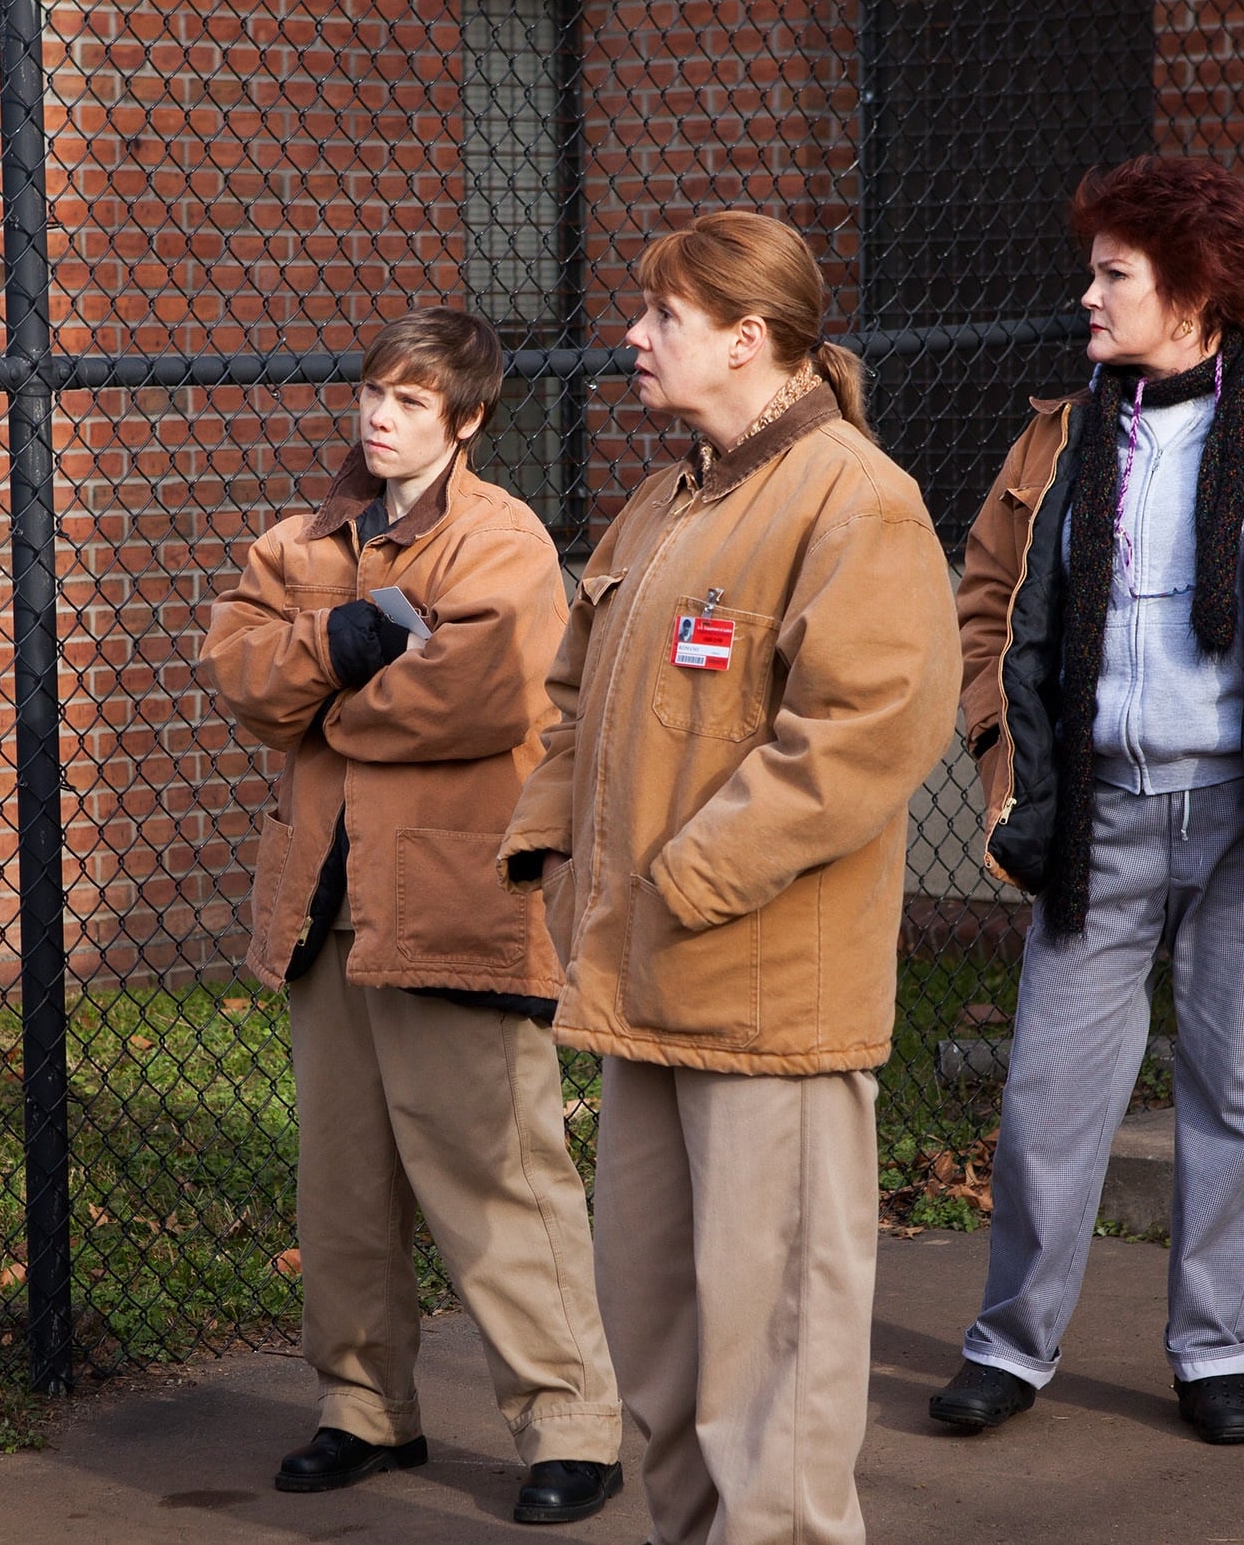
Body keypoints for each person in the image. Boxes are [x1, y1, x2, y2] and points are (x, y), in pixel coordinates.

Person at [939, 155, 1244, 1445]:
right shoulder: (1059, 434)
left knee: (1237, 1097)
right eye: (1092, 272)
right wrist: (997, 733)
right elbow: (988, 595)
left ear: (1195, 290)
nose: (1087, 297)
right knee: (1048, 1096)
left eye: (1114, 274)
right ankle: (1010, 1349)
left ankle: (1215, 1354)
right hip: (1097, 816)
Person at [497, 212, 961, 1545]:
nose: (632, 338)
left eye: (665, 317)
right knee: (661, 1338)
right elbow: (576, 698)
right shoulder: (669, 499)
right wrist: (553, 849)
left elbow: (865, 731)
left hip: (769, 1000)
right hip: (644, 984)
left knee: (777, 1362)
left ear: (750, 338)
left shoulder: (854, 500)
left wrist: (687, 877)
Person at [200, 308, 626, 1526]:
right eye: (374, 394)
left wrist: (323, 699)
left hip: (452, 904)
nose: (381, 419)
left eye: (412, 402)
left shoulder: (502, 539)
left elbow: (480, 694)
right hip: (324, 904)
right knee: (342, 1181)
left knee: (495, 1174)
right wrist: (349, 636)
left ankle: (572, 1425)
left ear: (468, 419)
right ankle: (363, 1409)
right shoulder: (302, 540)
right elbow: (235, 667)